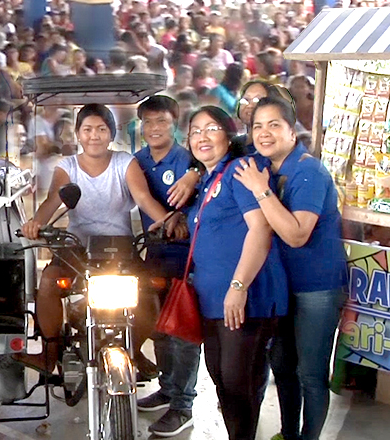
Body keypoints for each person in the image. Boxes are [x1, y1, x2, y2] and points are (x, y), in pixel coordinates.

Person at [17, 104, 181, 377]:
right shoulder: (67, 166)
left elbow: (143, 198)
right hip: (77, 250)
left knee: (149, 295)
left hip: (121, 251)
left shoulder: (124, 163)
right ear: (78, 134)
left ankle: (135, 349)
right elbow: (52, 201)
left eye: (102, 129)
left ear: (111, 133)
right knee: (48, 283)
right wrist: (36, 224)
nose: (95, 135)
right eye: (88, 129)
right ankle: (50, 352)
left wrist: (169, 221)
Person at [233, 96, 346, 440]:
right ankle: (288, 433)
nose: (264, 133)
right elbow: (222, 159)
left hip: (318, 288)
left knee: (310, 373)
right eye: (257, 126)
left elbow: (296, 235)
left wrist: (261, 190)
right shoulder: (261, 163)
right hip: (281, 285)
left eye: (274, 125)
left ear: (292, 131)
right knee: (282, 365)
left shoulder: (308, 171)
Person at [185, 105, 287, 440]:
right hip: (211, 299)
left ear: (229, 136)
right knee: (222, 381)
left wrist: (239, 286)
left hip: (246, 298)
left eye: (211, 128)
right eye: (195, 130)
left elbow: (261, 230)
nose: (203, 136)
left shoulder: (242, 169)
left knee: (238, 384)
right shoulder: (207, 179)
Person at [132, 96, 201, 436]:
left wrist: (182, 217)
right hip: (153, 256)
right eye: (148, 123)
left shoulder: (191, 161)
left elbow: (204, 200)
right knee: (159, 327)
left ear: (175, 124)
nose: (154, 129)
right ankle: (167, 388)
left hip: (187, 258)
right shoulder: (138, 161)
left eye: (161, 121)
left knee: (183, 331)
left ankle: (183, 405)